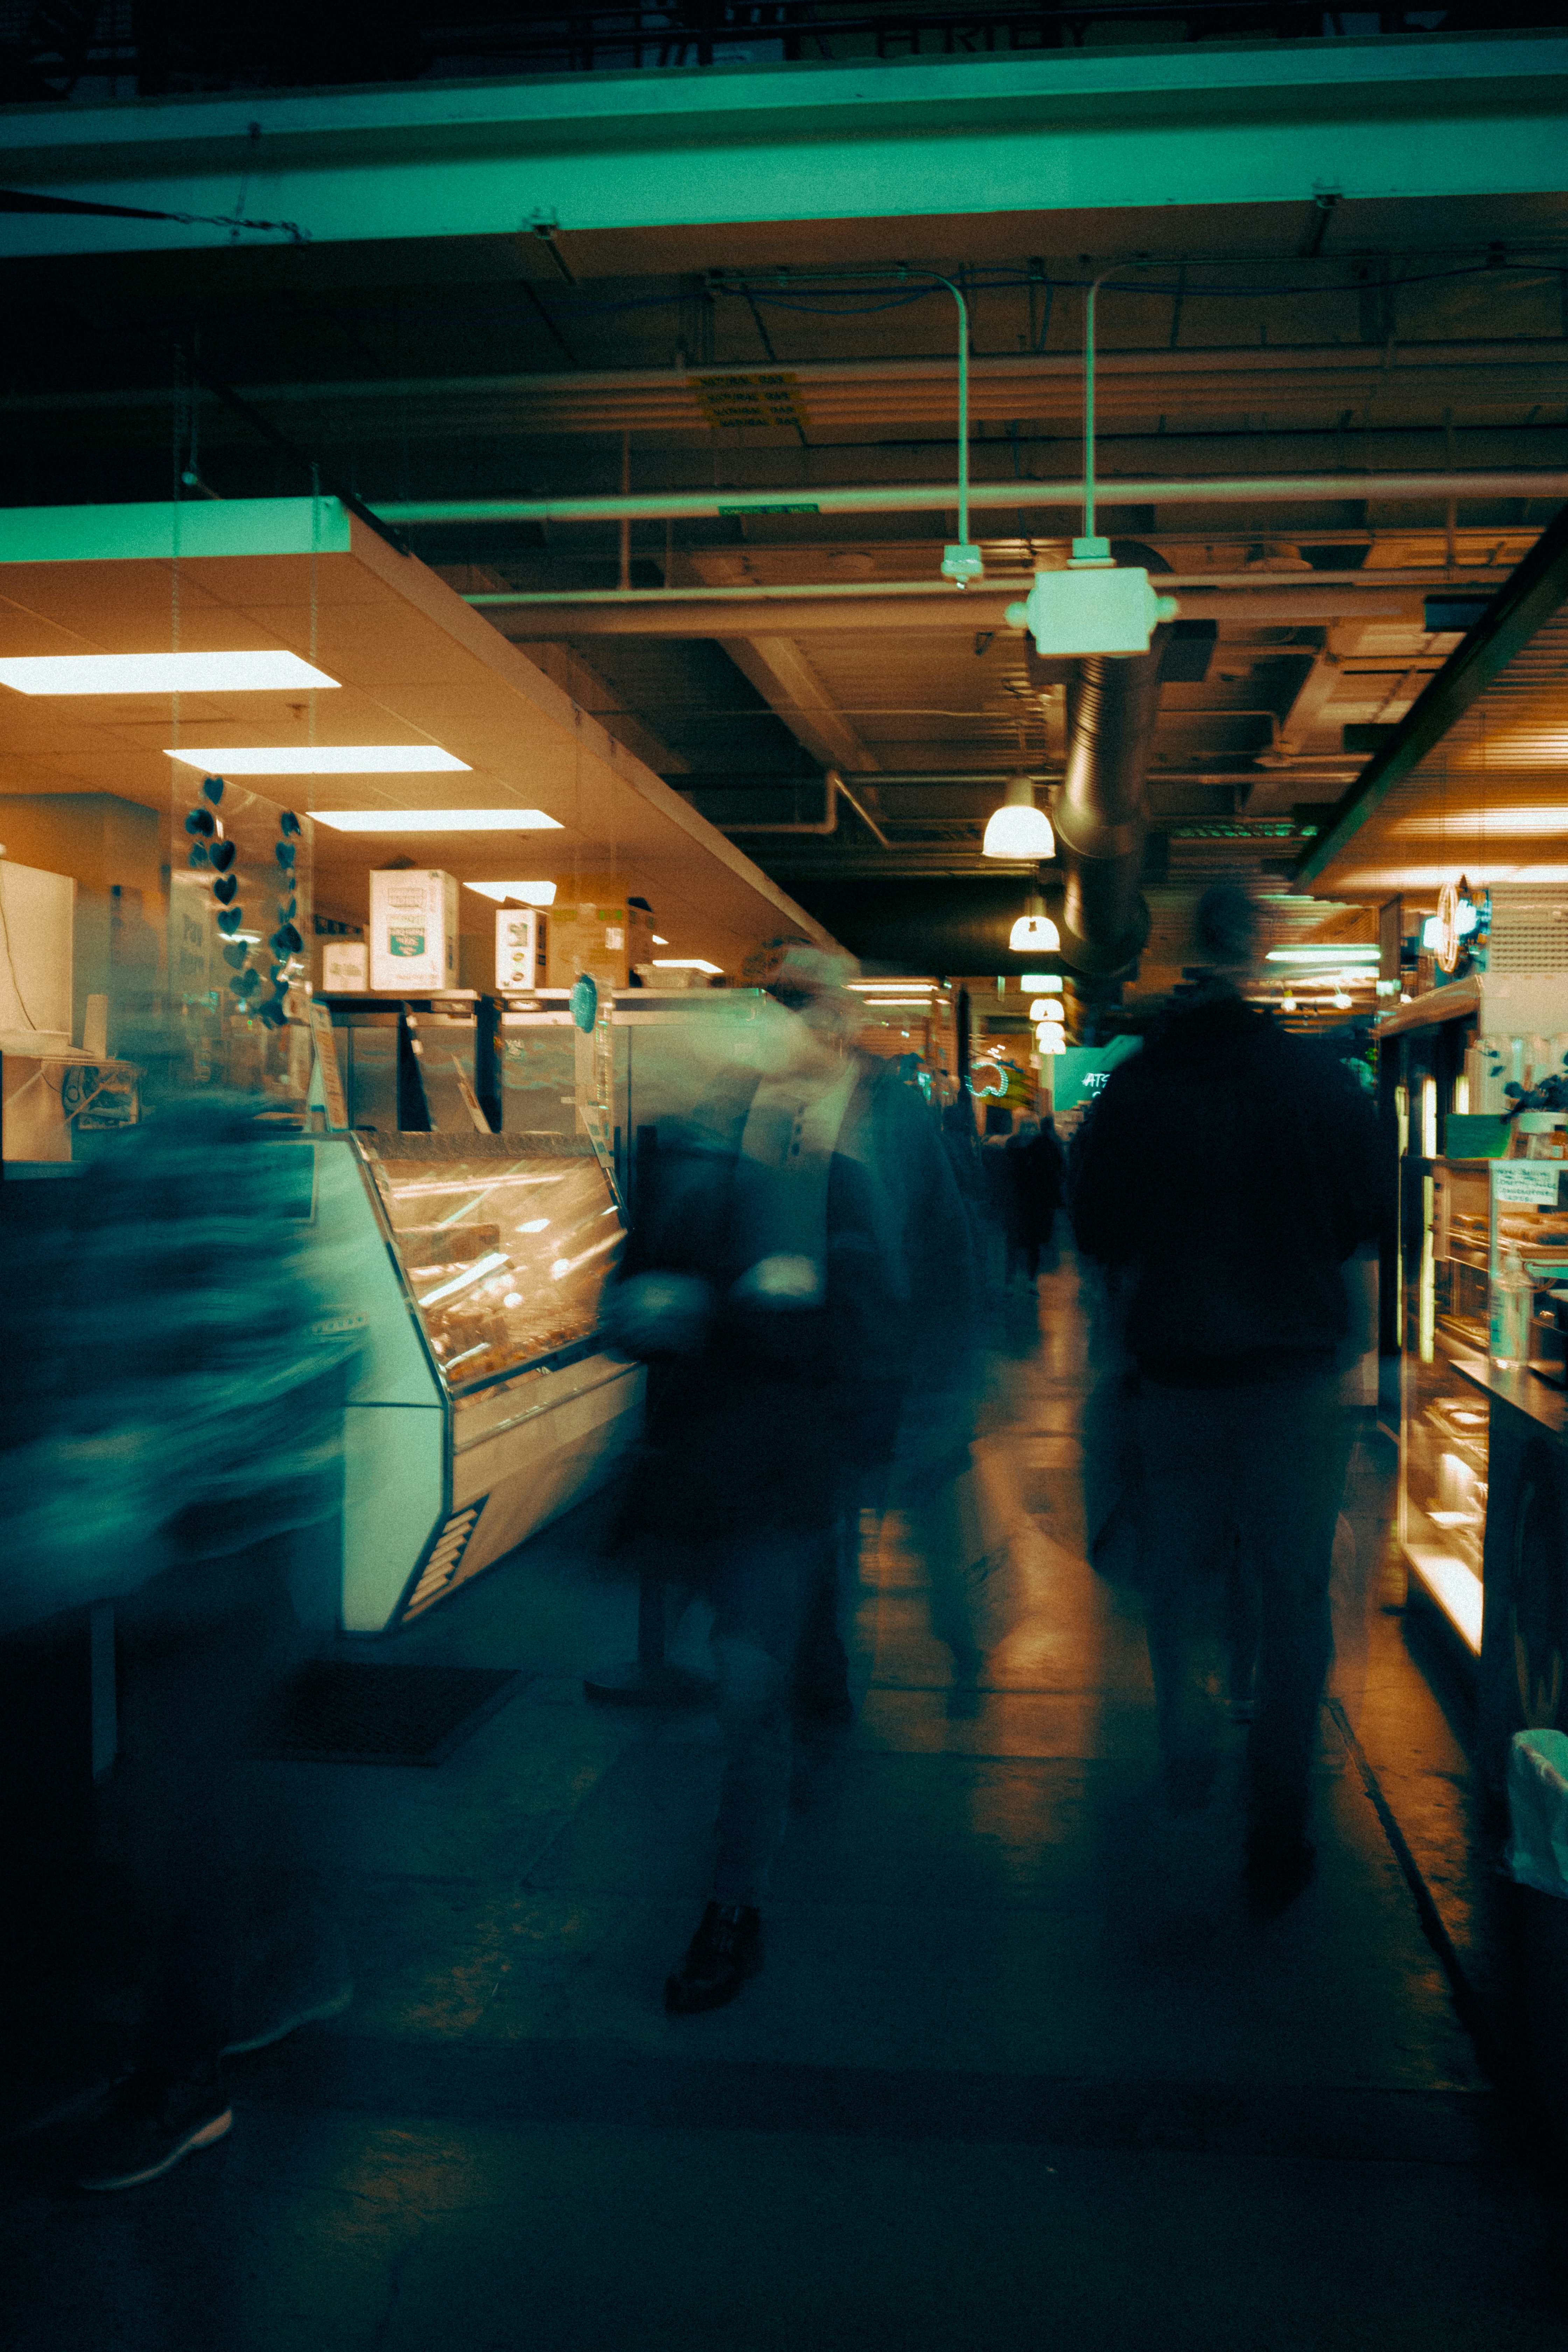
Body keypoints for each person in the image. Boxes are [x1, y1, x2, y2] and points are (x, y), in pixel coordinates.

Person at [604, 940, 976, 2011]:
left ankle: (732, 1906)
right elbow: (627, 1293)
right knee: (755, 1668)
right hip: (709, 1468)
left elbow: (892, 1301)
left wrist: (897, 1413)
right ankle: (809, 1704)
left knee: (744, 1683)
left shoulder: (850, 1161)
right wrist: (654, 1310)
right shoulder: (684, 1161)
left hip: (781, 1469)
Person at [0, 1092, 355, 2189]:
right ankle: (282, 1968)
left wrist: (128, 1481)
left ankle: (183, 2084)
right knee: (198, 1787)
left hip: (206, 1542)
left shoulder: (185, 1163)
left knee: (177, 1810)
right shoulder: (209, 1156)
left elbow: (261, 1357)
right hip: (214, 1535)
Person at [1069, 883, 1381, 1910]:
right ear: (1262, 950)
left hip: (1175, 1379)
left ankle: (1186, 1736)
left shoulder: (1135, 1087)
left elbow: (1102, 1245)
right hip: (1292, 1383)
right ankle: (1276, 1823)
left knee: (1179, 1575)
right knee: (1293, 1596)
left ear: (1181, 952)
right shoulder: (1318, 1082)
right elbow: (1361, 1232)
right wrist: (1362, 1358)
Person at [1003, 1113, 1066, 1288]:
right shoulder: (1042, 1145)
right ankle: (1030, 1280)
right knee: (1031, 1242)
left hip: (1020, 1200)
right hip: (1034, 1200)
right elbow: (1051, 1171)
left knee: (1017, 1242)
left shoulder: (1014, 1144)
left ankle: (1012, 1281)